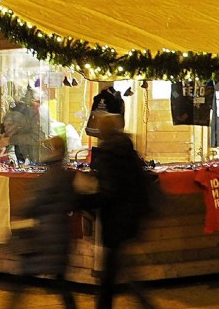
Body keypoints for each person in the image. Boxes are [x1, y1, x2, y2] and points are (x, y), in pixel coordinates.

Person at [87, 114, 158, 309]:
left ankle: (144, 304)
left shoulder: (108, 154)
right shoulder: (126, 149)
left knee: (115, 271)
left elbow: (110, 191)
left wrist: (86, 199)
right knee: (118, 269)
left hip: (116, 220)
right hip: (130, 217)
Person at [6, 136, 79, 309]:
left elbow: (33, 202)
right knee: (61, 281)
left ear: (55, 151)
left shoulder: (48, 177)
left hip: (44, 236)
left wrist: (20, 213)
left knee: (24, 277)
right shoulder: (67, 175)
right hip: (60, 234)